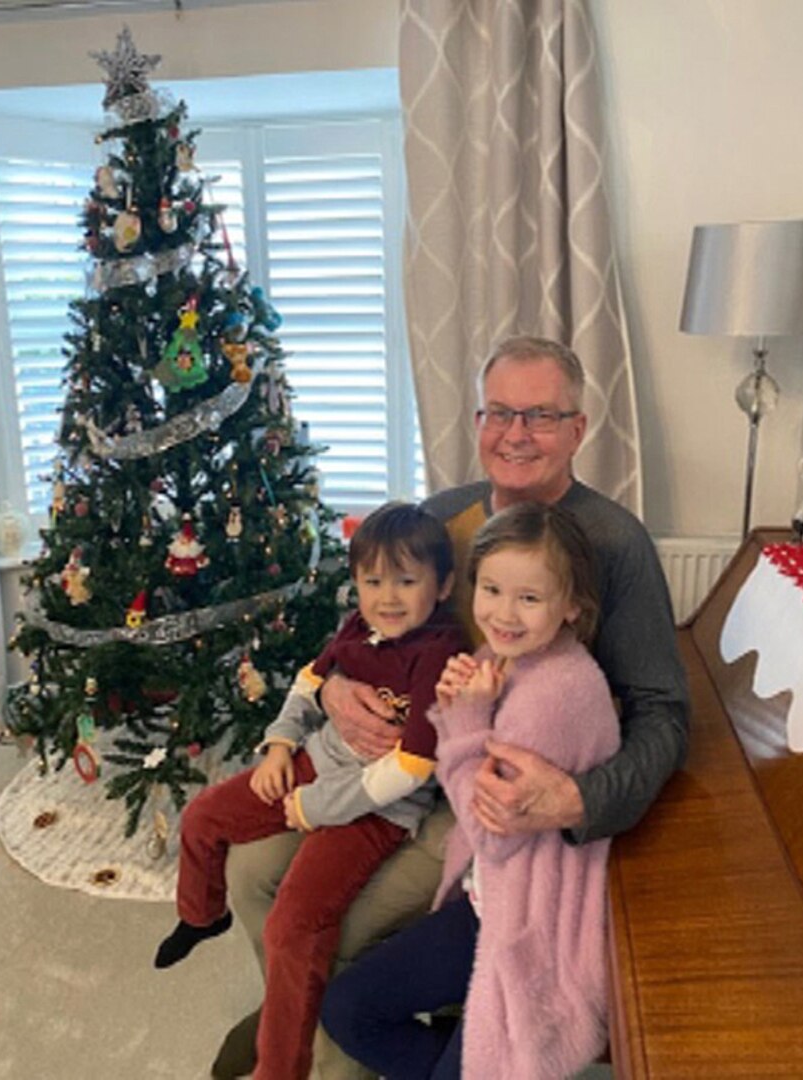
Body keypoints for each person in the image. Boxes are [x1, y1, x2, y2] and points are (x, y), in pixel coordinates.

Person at [214, 335, 689, 1079]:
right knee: (248, 869)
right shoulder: (441, 515)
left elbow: (663, 711)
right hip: (381, 756)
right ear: (476, 421)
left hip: (474, 796)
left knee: (344, 925)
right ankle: (290, 1015)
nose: (515, 433)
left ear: (577, 429)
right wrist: (336, 689)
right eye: (499, 412)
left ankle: (323, 1058)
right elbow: (366, 620)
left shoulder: (612, 543)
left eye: (539, 415)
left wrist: (579, 797)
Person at [155, 501, 465, 1080]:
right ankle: (201, 917)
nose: (388, 597)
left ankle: (281, 1066)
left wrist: (316, 806)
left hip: (379, 810)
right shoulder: (359, 627)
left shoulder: (439, 652)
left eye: (406, 581)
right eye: (372, 581)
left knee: (295, 923)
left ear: (443, 585)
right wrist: (278, 745)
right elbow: (310, 679)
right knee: (203, 818)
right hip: (312, 766)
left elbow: (413, 768)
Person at [322, 502, 621, 1078]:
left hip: (529, 920)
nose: (504, 614)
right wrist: (459, 704)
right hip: (491, 897)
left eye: (529, 598)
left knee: (372, 1017)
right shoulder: (508, 655)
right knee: (348, 1008)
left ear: (571, 606)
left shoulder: (555, 696)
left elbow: (492, 831)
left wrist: (464, 720)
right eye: (491, 590)